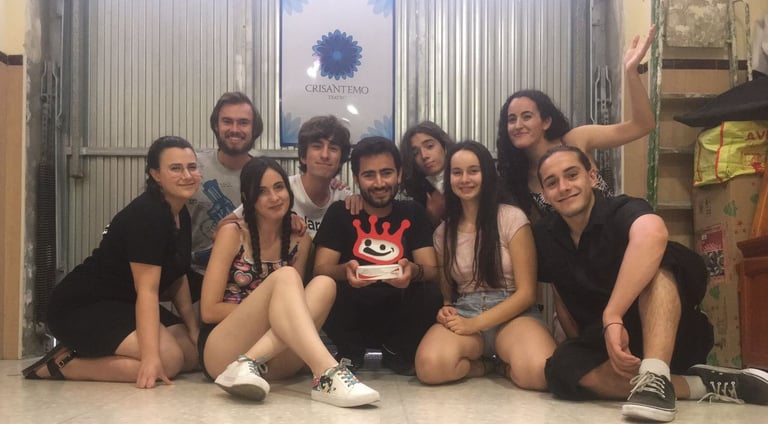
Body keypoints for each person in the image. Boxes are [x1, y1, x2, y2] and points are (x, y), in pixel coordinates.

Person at [533, 145, 768, 422]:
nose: (563, 187)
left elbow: (653, 233)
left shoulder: (622, 209)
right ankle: (700, 385)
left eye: (572, 175)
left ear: (592, 176)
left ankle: (656, 373)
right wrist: (580, 345)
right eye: (552, 182)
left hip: (669, 333)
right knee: (560, 370)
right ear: (545, 193)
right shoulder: (546, 234)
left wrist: (613, 315)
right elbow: (560, 293)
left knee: (662, 260)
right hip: (611, 345)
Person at [198, 156, 379, 408]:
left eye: (279, 187)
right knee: (286, 276)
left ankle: (249, 362)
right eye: (262, 191)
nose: (274, 197)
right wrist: (272, 313)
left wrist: (281, 316)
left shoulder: (299, 239)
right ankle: (327, 373)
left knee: (324, 284)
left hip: (273, 361)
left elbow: (294, 309)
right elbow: (208, 310)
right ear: (248, 198)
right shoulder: (233, 233)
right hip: (224, 351)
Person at [22, 136, 201, 388]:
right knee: (168, 361)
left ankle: (92, 352)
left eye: (192, 167)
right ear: (156, 175)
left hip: (124, 304)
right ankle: (62, 364)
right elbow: (148, 291)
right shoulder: (148, 215)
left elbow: (178, 276)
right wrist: (151, 358)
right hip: (82, 307)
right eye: (176, 168)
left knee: (192, 355)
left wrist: (194, 330)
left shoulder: (180, 212)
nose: (187, 175)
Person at [414, 141, 556, 389]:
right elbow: (447, 294)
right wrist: (446, 309)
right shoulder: (443, 233)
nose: (464, 179)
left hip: (514, 314)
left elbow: (527, 294)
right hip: (465, 310)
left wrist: (475, 324)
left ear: (487, 174)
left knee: (539, 373)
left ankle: (506, 366)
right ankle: (484, 366)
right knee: (430, 367)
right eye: (457, 172)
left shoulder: (512, 218)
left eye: (473, 171)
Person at [313, 136, 443, 375]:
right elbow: (320, 269)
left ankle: (397, 351)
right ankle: (350, 351)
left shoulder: (413, 212)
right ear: (356, 179)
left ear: (399, 174)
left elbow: (432, 270)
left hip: (398, 313)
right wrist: (345, 270)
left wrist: (413, 271)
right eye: (369, 175)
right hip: (353, 313)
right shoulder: (340, 213)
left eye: (386, 173)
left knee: (430, 293)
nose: (379, 183)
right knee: (324, 286)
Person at [496, 26, 656, 216]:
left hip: (615, 227)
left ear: (546, 122)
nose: (518, 125)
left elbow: (643, 125)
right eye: (511, 119)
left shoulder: (575, 140)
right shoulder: (519, 177)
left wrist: (632, 73)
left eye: (527, 116)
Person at [187, 92, 265, 299]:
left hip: (248, 280)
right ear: (216, 125)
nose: (235, 129)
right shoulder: (191, 167)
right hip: (194, 276)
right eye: (227, 121)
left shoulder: (265, 174)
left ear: (254, 129)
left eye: (243, 122)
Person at [227, 115, 354, 239]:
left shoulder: (345, 198)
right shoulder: (280, 189)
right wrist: (280, 220)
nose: (325, 155)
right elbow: (223, 226)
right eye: (317, 146)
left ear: (341, 160)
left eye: (333, 148)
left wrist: (359, 201)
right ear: (303, 156)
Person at [398, 121, 455, 226]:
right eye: (415, 153)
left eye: (430, 146)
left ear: (444, 145)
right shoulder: (419, 193)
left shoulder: (465, 179)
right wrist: (432, 218)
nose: (424, 156)